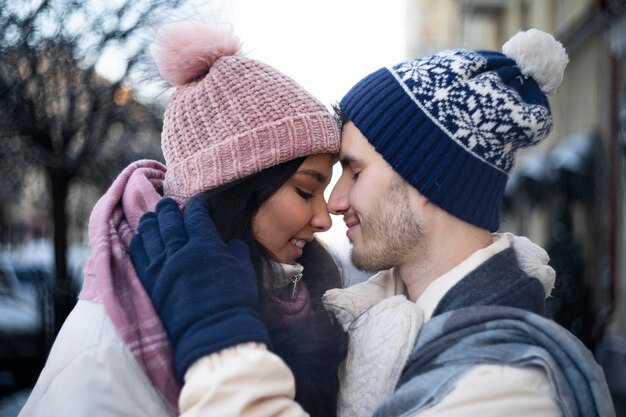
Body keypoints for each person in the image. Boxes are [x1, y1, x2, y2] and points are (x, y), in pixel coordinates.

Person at [129, 28, 616, 417]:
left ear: (429, 180)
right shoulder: (371, 326)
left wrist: (219, 339)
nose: (335, 204)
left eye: (355, 172)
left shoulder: (505, 383)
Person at [19, 20, 348, 417]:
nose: (324, 219)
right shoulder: (112, 340)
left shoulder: (298, 297)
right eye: (305, 190)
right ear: (236, 187)